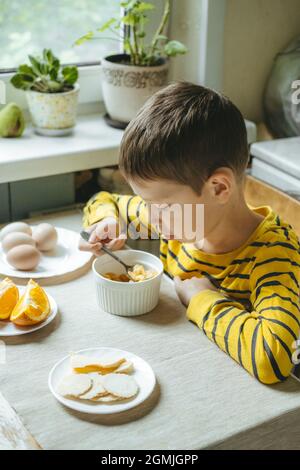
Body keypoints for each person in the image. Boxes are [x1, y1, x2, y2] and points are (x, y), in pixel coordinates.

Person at [80, 81, 300, 385]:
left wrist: (202, 298)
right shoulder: (179, 219)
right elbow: (103, 201)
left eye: (162, 205)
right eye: (147, 204)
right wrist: (107, 223)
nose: (153, 218)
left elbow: (273, 358)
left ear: (219, 188)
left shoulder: (274, 255)